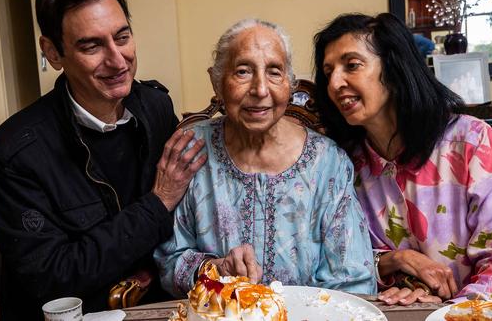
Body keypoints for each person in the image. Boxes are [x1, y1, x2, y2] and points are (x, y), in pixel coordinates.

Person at [0, 0, 206, 320]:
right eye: (91, 46)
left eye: (122, 37)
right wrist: (158, 201)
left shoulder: (155, 106)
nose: (117, 61)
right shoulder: (15, 152)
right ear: (53, 53)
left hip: (152, 304)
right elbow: (53, 279)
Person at [312, 13, 492, 306]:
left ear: (395, 69)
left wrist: (450, 311)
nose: (335, 83)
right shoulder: (345, 164)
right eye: (328, 72)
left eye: (352, 65)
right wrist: (398, 261)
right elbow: (345, 259)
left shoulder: (471, 141)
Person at [154, 19, 376, 297]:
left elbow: (352, 278)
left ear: (290, 84)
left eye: (274, 72)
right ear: (217, 81)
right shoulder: (191, 148)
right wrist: (215, 270)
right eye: (243, 71)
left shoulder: (328, 162)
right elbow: (167, 261)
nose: (260, 90)